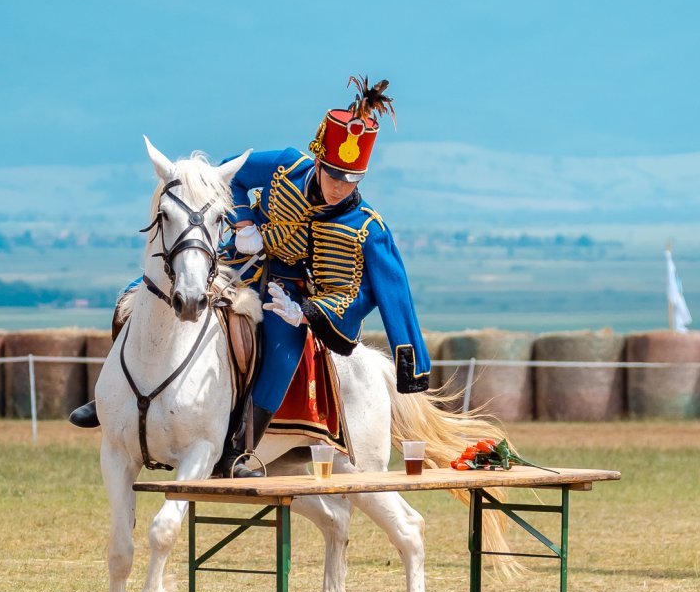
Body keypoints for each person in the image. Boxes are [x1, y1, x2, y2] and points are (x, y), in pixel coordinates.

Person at [72, 76, 432, 478]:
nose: (339, 188)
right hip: (234, 259)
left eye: (351, 181)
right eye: (334, 175)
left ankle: (240, 451)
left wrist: (309, 313)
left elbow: (387, 296)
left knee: (283, 351)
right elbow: (232, 175)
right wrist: (244, 225)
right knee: (138, 293)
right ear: (318, 160)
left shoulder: (368, 227)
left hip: (288, 289)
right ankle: (107, 399)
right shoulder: (285, 164)